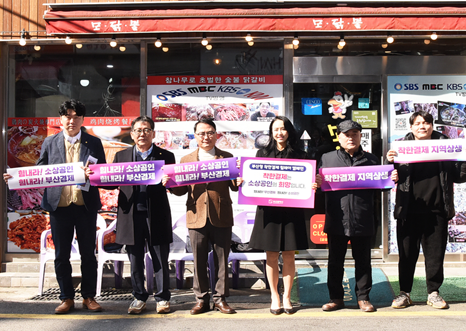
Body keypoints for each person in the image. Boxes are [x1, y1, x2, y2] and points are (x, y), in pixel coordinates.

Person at [4, 99, 107, 314]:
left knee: (88, 254)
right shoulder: (50, 142)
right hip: (59, 206)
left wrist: (94, 173)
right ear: (61, 119)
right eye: (68, 116)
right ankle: (66, 298)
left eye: (76, 117)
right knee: (61, 255)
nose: (72, 121)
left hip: (85, 206)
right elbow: (39, 172)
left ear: (82, 120)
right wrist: (16, 178)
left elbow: (102, 172)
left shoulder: (93, 143)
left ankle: (88, 297)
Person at [386, 111, 466, 310]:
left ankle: (433, 293)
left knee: (435, 255)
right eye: (417, 123)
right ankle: (404, 293)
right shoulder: (401, 147)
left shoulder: (445, 145)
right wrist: (389, 163)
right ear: (411, 127)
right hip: (408, 210)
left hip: (437, 210)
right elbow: (388, 177)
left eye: (426, 123)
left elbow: (459, 176)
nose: (422, 126)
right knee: (406, 255)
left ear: (432, 126)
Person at [317, 120, 396, 313]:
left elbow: (382, 186)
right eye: (346, 134)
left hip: (363, 217)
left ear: (361, 136)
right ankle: (336, 298)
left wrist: (391, 178)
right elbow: (319, 188)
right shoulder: (327, 159)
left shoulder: (372, 160)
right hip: (337, 218)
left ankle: (363, 298)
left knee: (363, 261)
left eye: (355, 134)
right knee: (335, 261)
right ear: (339, 137)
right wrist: (316, 183)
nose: (350, 138)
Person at [247, 116, 314, 315]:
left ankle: (287, 297)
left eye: (283, 129)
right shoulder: (262, 154)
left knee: (289, 255)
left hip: (292, 211)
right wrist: (245, 181)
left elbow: (307, 182)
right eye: (276, 129)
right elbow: (254, 179)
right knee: (271, 255)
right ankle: (274, 296)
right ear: (271, 132)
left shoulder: (301, 155)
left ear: (289, 131)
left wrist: (313, 184)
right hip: (269, 212)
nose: (279, 133)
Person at [171, 117, 238, 315]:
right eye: (201, 133)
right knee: (198, 260)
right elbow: (181, 191)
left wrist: (240, 176)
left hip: (221, 214)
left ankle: (220, 299)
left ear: (216, 135)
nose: (206, 137)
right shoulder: (186, 160)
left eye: (209, 133)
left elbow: (234, 187)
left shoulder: (227, 157)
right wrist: (170, 184)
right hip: (196, 215)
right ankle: (201, 299)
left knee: (221, 260)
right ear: (195, 136)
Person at [110, 116, 175, 315]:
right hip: (130, 215)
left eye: (146, 130)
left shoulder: (166, 156)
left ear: (153, 134)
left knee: (160, 259)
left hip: (157, 214)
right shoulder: (121, 156)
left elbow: (175, 186)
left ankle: (162, 298)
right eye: (138, 130)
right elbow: (110, 182)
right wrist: (92, 175)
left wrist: (170, 181)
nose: (142, 134)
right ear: (132, 134)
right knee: (135, 259)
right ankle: (139, 297)